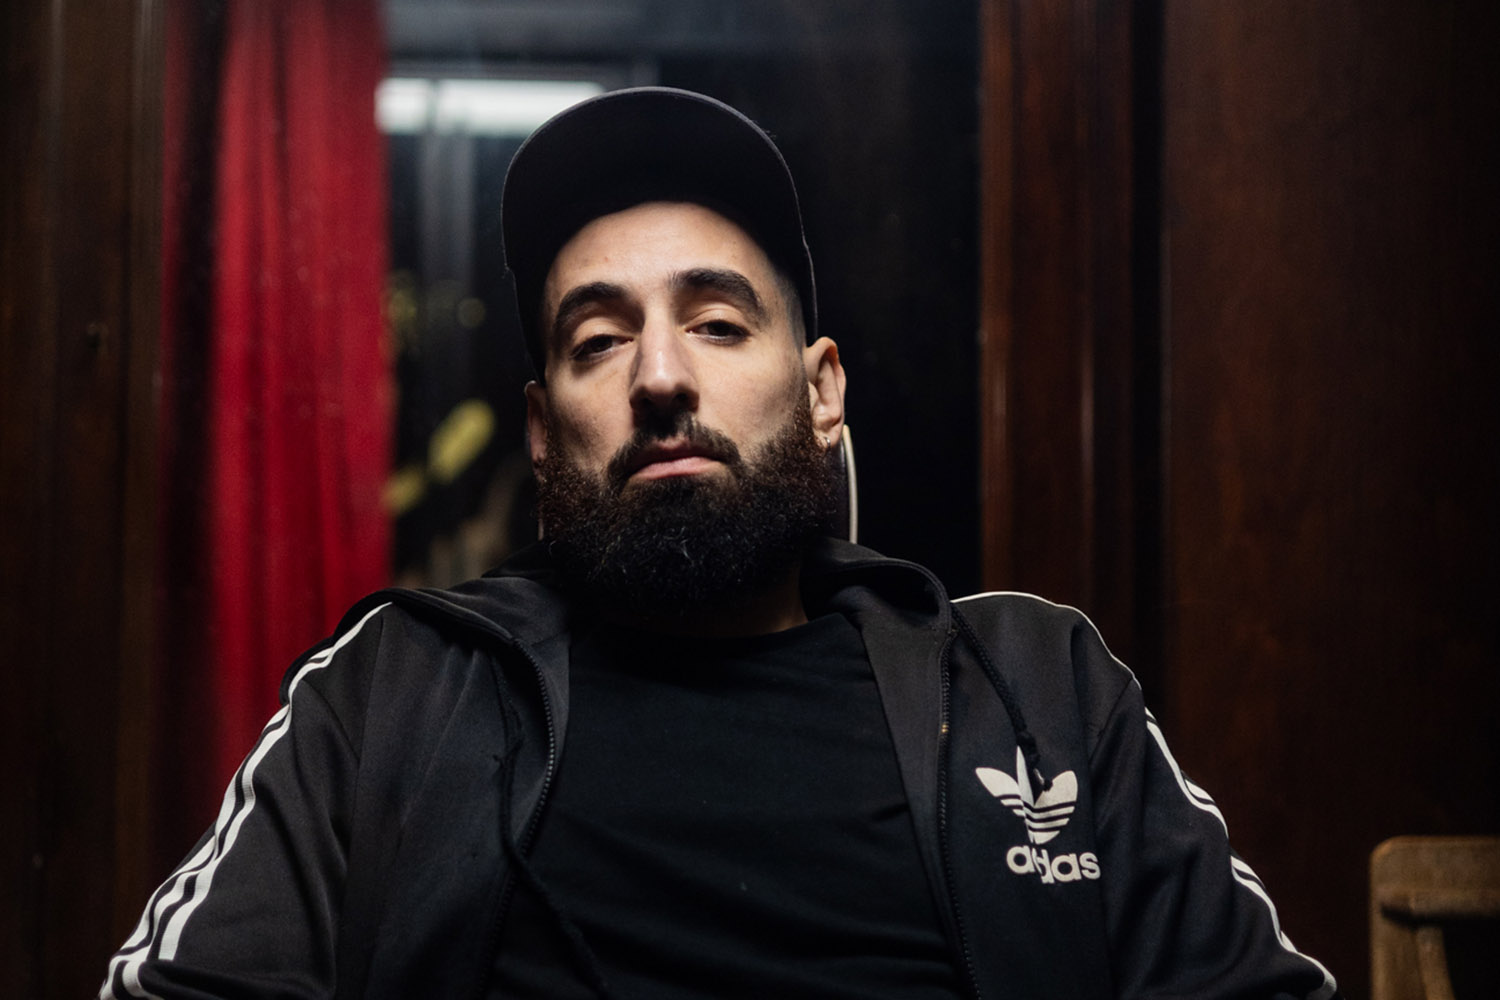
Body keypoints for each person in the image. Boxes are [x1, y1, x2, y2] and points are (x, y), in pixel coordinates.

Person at [100, 87, 1339, 1000]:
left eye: (717, 323)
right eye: (597, 340)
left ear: (824, 390)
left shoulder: (1038, 688)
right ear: (540, 430)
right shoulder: (396, 693)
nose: (659, 376)